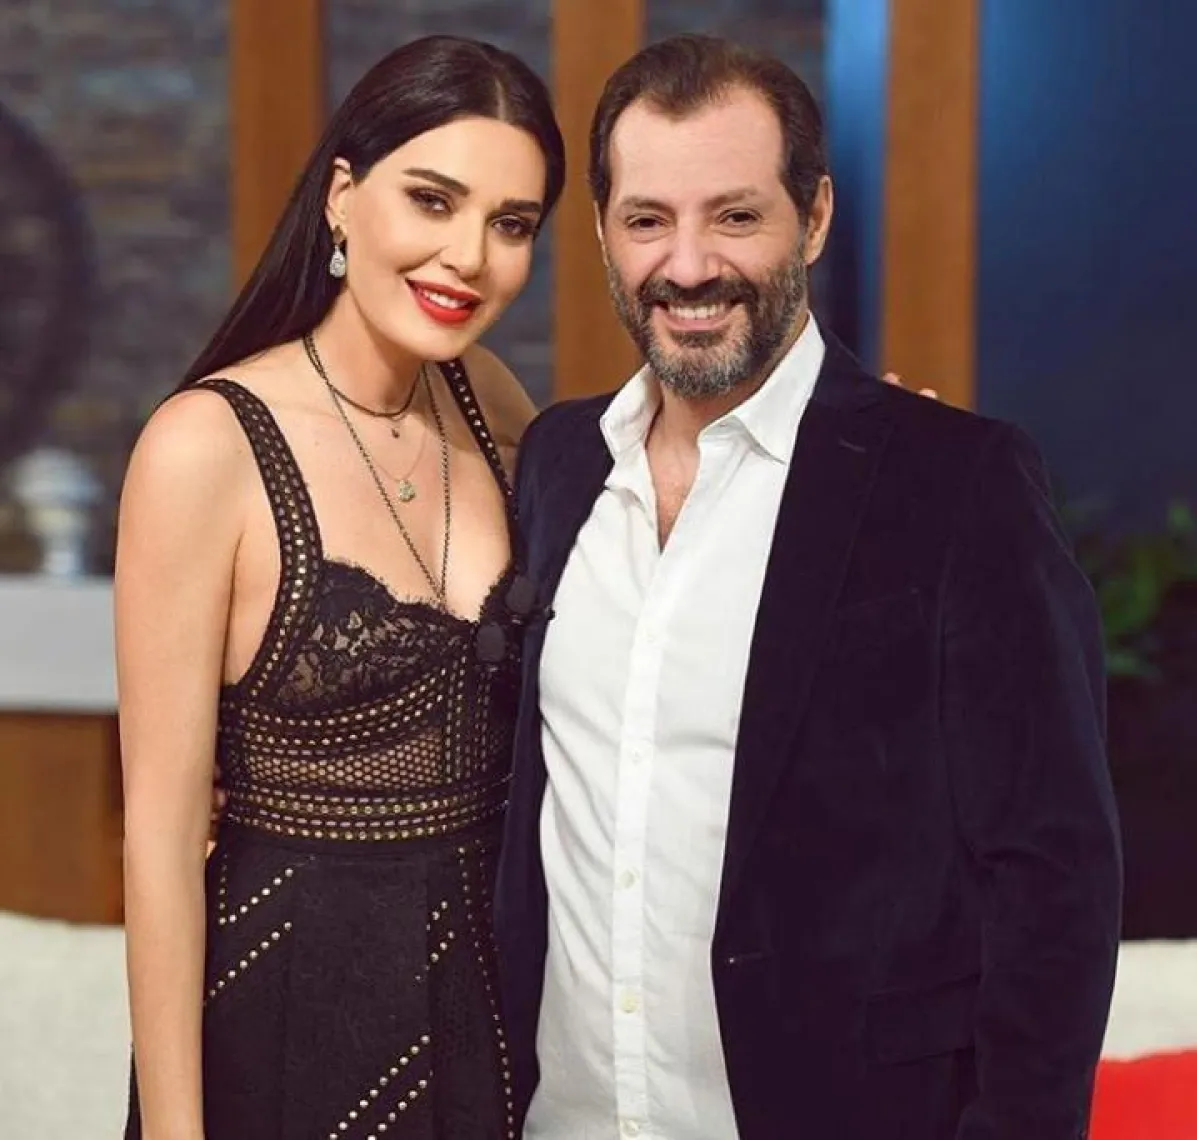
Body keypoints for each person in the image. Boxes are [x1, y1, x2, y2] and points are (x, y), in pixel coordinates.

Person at [494, 34, 1123, 1140]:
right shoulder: (556, 464)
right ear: (601, 232)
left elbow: (1054, 874)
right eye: (648, 220)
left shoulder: (956, 481)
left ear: (815, 217)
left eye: (736, 216)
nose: (689, 265)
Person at [116, 35, 564, 1140]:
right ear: (343, 196)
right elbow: (161, 846)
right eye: (433, 200)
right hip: (284, 1015)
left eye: (512, 224)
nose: (469, 257)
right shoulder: (206, 446)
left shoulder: (490, 400)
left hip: (489, 1013)